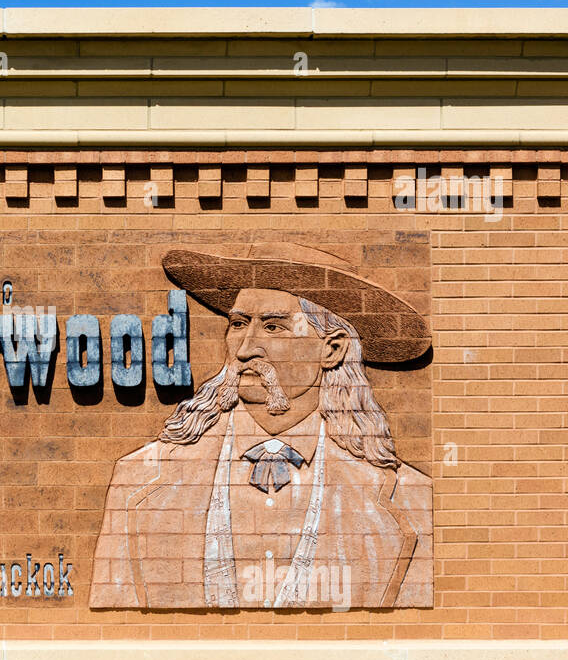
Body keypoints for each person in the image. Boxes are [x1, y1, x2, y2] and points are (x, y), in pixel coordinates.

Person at [90, 243, 433, 610]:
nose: (245, 348)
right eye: (238, 324)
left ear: (331, 350)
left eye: (273, 327)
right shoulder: (138, 480)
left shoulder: (410, 497)